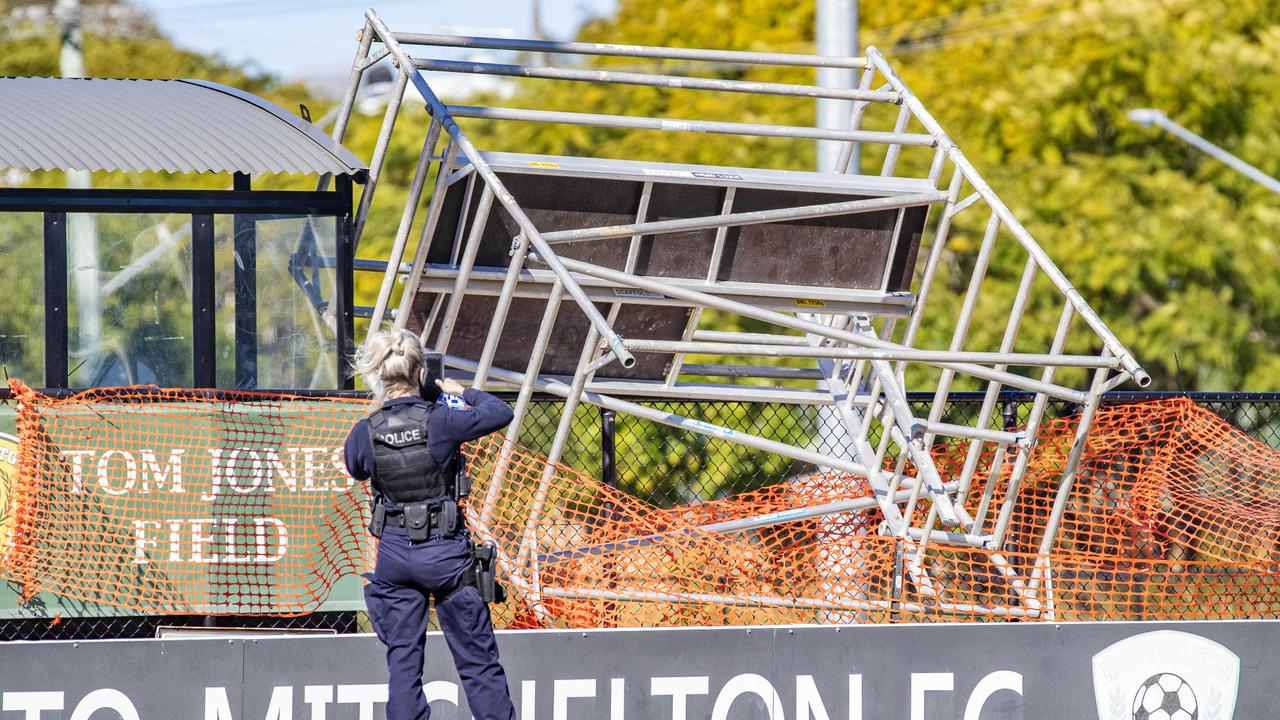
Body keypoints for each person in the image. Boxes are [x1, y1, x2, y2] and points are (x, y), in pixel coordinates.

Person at [343, 329, 517, 720]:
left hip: (395, 561)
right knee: (477, 665)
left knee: (402, 668)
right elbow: (499, 413)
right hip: (447, 558)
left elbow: (355, 467)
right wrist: (462, 393)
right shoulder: (442, 420)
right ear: (421, 372)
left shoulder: (364, 433)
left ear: (378, 377)